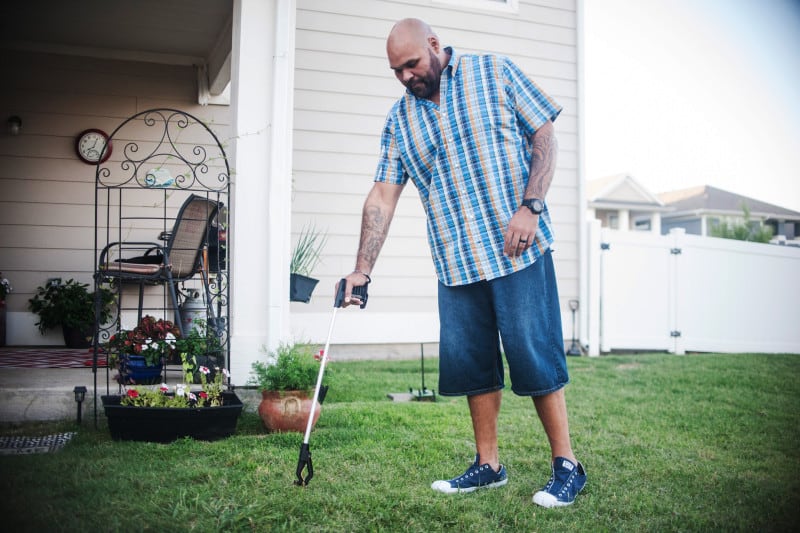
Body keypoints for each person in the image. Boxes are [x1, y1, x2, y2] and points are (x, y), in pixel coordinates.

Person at [339, 18, 586, 508]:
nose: (406, 76)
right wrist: (361, 269)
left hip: (518, 250)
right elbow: (383, 196)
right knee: (474, 367)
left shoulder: (493, 72)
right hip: (456, 263)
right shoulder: (399, 120)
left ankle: (567, 465)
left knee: (535, 357)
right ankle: (488, 464)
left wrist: (531, 206)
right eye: (396, 71)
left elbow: (544, 134)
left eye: (411, 64)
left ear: (434, 45)